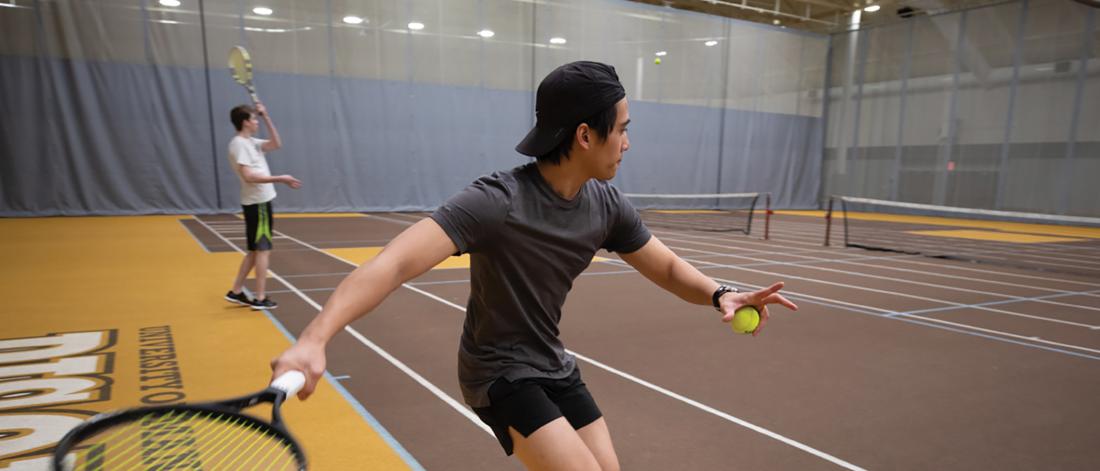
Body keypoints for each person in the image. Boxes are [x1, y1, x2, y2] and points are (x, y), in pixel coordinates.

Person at [270, 61, 797, 470]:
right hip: (498, 371)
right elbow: (392, 264)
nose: (628, 142)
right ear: (586, 136)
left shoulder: (605, 205)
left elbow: (666, 268)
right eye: (623, 129)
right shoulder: (497, 201)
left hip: (550, 361)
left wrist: (718, 293)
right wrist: (315, 338)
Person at [224, 102, 301, 310]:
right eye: (254, 118)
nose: (256, 121)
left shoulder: (252, 142)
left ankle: (236, 291)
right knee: (263, 251)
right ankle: (260, 298)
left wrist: (266, 116)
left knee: (254, 252)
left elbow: (276, 144)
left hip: (259, 203)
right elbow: (249, 176)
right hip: (258, 204)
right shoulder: (239, 144)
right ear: (245, 122)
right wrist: (281, 178)